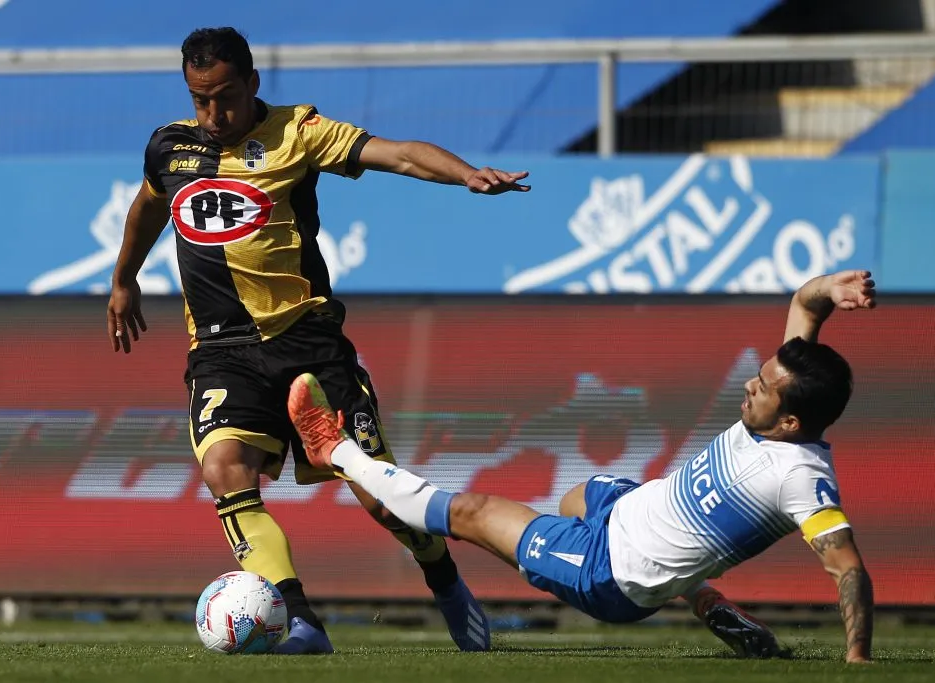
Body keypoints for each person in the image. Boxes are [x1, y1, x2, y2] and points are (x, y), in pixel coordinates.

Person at [106, 26, 530, 655]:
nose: (213, 114)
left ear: (253, 83)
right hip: (222, 352)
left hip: (308, 343)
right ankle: (300, 622)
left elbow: (400, 154)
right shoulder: (169, 148)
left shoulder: (298, 133)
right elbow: (148, 206)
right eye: (200, 100)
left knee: (382, 501)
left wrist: (465, 174)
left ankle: (443, 580)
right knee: (225, 471)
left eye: (225, 97)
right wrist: (124, 280)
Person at [288, 270, 878, 662]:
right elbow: (804, 303)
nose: (751, 383)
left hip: (611, 572)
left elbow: (847, 568)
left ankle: (331, 449)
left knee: (469, 512)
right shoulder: (782, 411)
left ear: (792, 423)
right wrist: (831, 289)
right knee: (575, 496)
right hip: (625, 504)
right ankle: (706, 600)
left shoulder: (800, 478)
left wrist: (857, 659)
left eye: (765, 387)